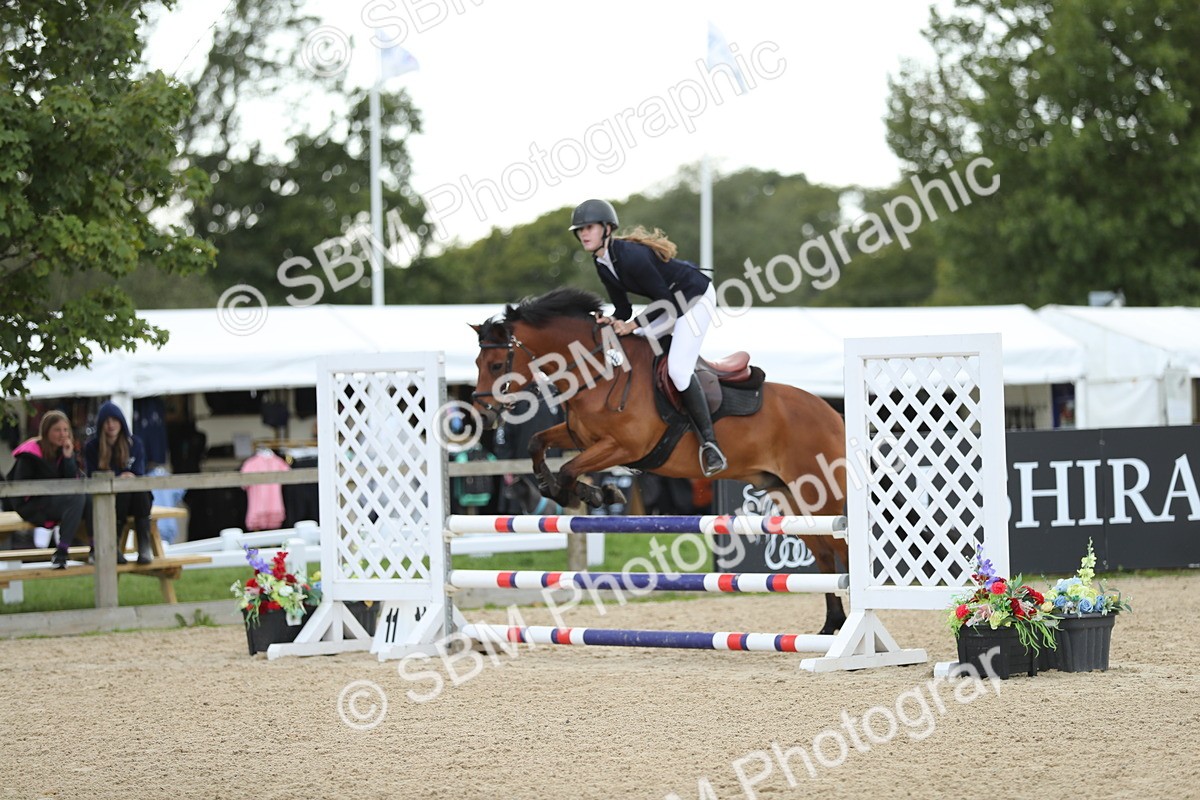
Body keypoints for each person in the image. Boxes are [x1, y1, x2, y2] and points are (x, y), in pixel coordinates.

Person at [569, 198, 727, 477]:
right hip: (670, 303)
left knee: (678, 370)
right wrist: (613, 319)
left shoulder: (631, 255)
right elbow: (624, 308)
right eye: (580, 229)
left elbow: (665, 300)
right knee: (637, 350)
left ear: (607, 228)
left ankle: (710, 444)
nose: (583, 233)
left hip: (695, 298)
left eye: (589, 227)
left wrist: (632, 326)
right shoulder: (602, 261)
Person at [9, 410, 87, 568]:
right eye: (57, 430)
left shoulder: (64, 451)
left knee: (90, 498)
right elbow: (20, 488)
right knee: (77, 497)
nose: (63, 434)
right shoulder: (30, 454)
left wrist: (68, 458)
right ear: (46, 431)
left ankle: (94, 547)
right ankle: (62, 551)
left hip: (56, 502)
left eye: (66, 430)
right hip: (32, 505)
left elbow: (72, 481)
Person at [83, 402, 154, 564]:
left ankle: (144, 546)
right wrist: (118, 479)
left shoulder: (135, 443)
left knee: (139, 490)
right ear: (101, 424)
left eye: (114, 420)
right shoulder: (92, 447)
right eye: (106, 421)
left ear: (121, 421)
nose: (111, 425)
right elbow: (92, 476)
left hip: (136, 499)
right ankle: (112, 545)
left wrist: (128, 478)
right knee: (123, 491)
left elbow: (139, 472)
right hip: (108, 500)